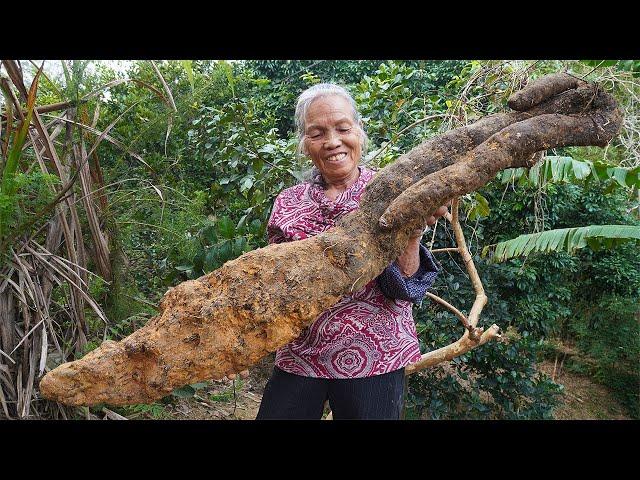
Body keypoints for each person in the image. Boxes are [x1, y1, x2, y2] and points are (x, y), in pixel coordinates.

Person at [255, 83, 448, 420]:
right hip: (301, 352)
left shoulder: (391, 191)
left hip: (377, 353)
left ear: (360, 132)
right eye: (317, 133)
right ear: (304, 143)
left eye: (343, 128)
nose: (332, 142)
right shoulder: (287, 203)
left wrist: (413, 232)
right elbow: (276, 286)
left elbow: (405, 285)